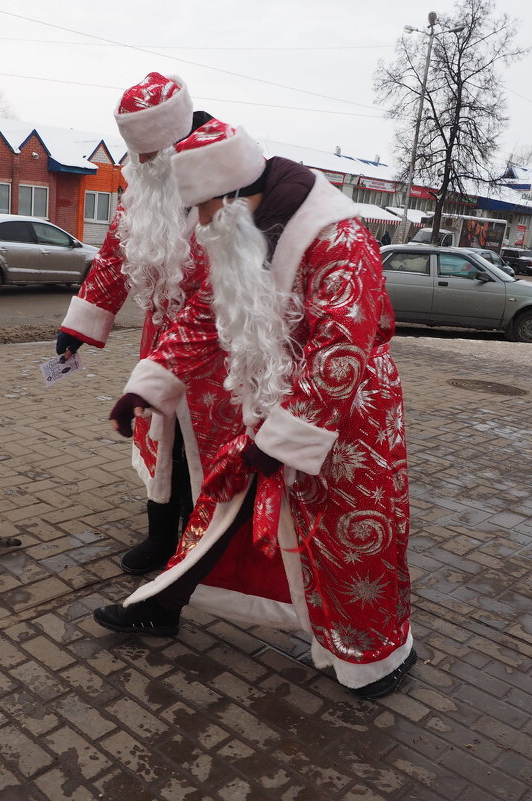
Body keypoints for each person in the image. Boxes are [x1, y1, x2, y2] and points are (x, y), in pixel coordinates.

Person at [96, 119, 415, 700]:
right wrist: (149, 386)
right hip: (276, 409)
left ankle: (379, 658)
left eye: (205, 211)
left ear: (236, 198)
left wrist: (279, 440)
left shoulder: (337, 237)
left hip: (348, 424)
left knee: (351, 544)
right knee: (223, 510)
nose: (201, 226)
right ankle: (160, 607)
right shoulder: (241, 233)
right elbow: (205, 315)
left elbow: (340, 350)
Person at [55, 73, 234, 576]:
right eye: (138, 158)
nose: (144, 167)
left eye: (151, 156)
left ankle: (209, 547)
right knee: (162, 441)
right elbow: (116, 254)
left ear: (175, 142)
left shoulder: (225, 174)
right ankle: (161, 538)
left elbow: (229, 278)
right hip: (163, 338)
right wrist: (80, 325)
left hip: (218, 349)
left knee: (206, 450)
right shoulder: (146, 184)